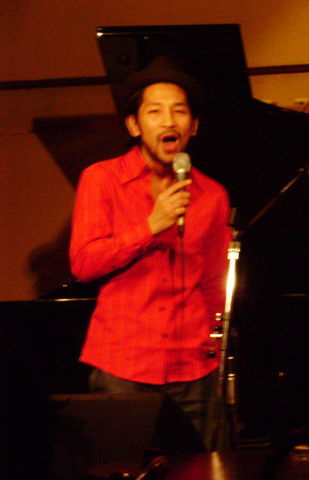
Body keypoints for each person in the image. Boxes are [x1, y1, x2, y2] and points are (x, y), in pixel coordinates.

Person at [69, 56, 231, 451]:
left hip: (194, 365)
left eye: (179, 111)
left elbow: (214, 279)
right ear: (134, 125)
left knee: (201, 470)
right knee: (118, 469)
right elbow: (84, 264)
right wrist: (150, 226)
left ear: (193, 126)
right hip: (122, 363)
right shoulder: (102, 179)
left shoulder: (212, 194)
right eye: (155, 111)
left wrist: (217, 343)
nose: (169, 121)